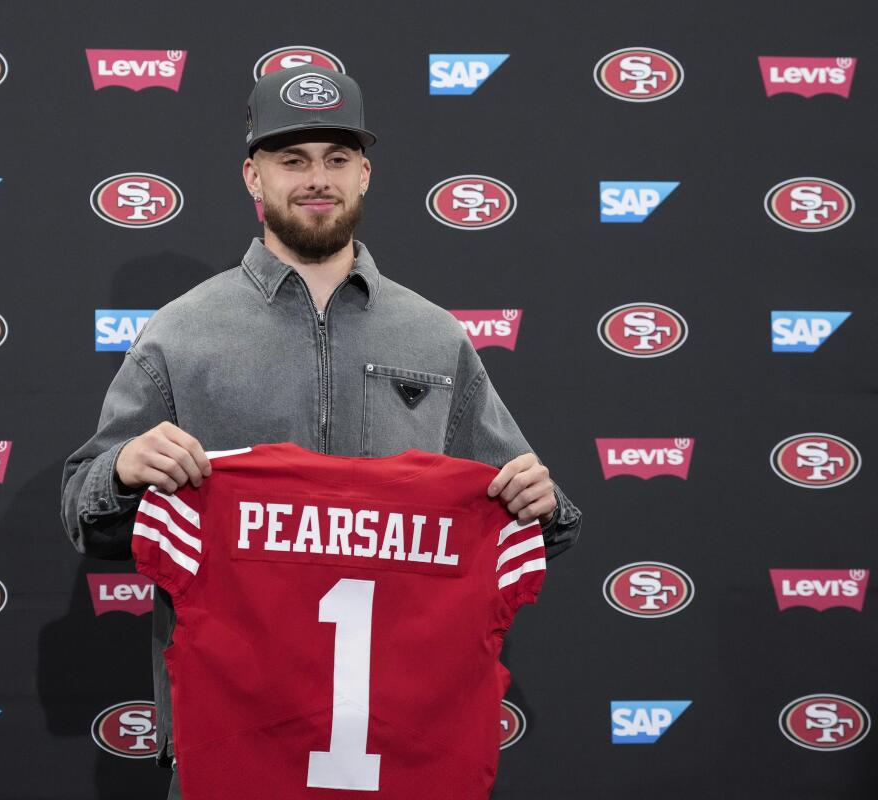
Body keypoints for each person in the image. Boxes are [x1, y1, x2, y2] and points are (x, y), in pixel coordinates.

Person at [60, 65, 583, 799]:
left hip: (401, 752)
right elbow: (84, 515)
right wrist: (122, 471)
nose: (318, 179)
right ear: (253, 176)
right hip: (232, 748)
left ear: (364, 174)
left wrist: (543, 502)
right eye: (292, 159)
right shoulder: (181, 334)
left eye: (337, 159)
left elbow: (530, 517)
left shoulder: (435, 337)